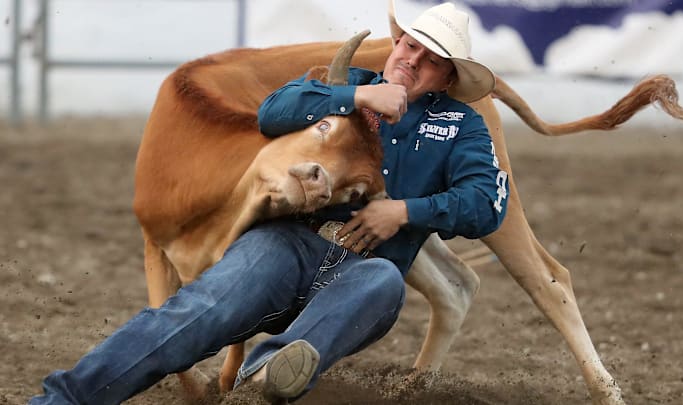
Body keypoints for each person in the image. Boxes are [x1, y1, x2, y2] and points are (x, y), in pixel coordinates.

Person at [29, 1, 508, 404]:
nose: (412, 59)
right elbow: (273, 111)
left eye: (431, 58)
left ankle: (264, 379)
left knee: (384, 280)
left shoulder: (460, 126)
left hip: (360, 273)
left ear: (447, 77)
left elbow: (487, 203)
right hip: (283, 248)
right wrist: (359, 94)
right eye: (409, 45)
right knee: (190, 317)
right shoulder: (342, 85)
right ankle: (63, 399)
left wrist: (403, 212)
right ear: (397, 43)